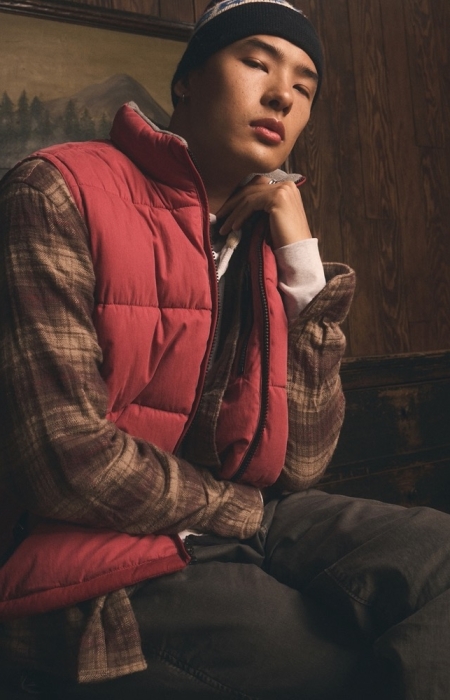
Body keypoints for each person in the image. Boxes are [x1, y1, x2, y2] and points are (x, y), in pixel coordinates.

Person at [0, 1, 449, 698]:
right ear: (186, 80)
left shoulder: (262, 236)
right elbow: (65, 461)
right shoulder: (57, 190)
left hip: (249, 519)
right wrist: (237, 510)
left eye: (304, 87)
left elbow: (301, 463)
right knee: (336, 668)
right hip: (99, 555)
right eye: (257, 63)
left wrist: (301, 260)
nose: (282, 96)